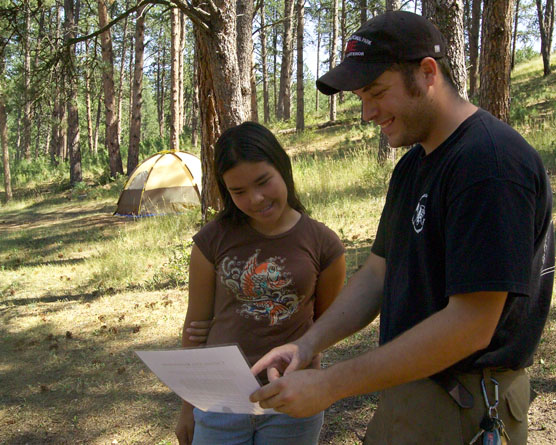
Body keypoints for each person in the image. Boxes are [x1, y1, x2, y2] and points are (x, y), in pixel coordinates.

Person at [249, 11, 554, 445]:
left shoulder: (490, 164)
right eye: (360, 97)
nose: (368, 112)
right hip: (412, 392)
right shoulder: (415, 164)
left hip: (467, 406)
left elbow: (470, 325)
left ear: (427, 73)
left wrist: (331, 385)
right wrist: (307, 344)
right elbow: (378, 273)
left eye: (377, 93)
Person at [174, 121, 346, 445]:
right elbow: (194, 328)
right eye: (238, 191)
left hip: (292, 402)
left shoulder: (324, 245)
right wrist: (188, 409)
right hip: (219, 402)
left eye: (263, 182)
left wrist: (316, 390)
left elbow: (323, 328)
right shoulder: (211, 241)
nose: (255, 199)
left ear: (282, 168)